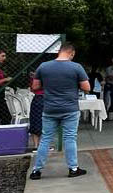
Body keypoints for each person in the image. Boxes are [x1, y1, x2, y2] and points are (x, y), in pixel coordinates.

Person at [28, 43, 90, 180]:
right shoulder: (76, 67)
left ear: (59, 52)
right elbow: (86, 87)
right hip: (70, 109)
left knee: (45, 139)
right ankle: (73, 168)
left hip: (49, 108)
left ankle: (36, 171)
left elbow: (35, 86)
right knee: (70, 138)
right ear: (72, 53)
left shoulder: (43, 66)